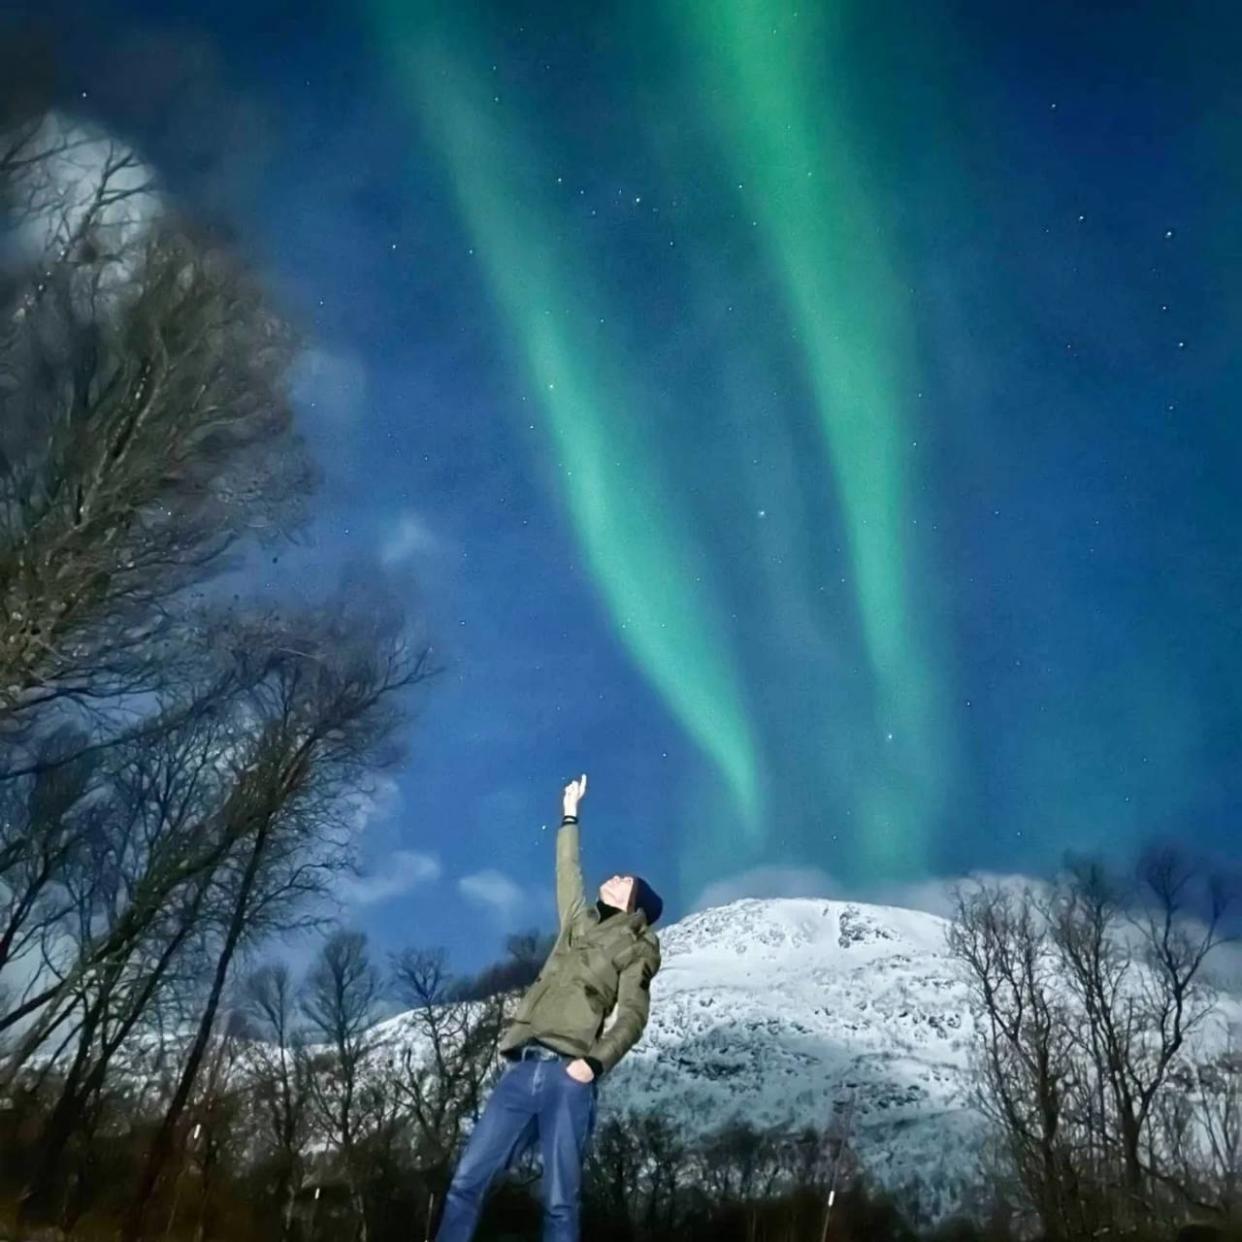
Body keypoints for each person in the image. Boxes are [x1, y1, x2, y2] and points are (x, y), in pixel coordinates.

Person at [435, 773, 663, 1242]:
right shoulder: (578, 925)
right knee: (465, 1182)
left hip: (568, 1077)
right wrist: (570, 815)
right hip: (521, 1069)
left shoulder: (636, 947)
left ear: (634, 902)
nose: (614, 876)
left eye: (624, 881)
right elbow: (568, 872)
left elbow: (634, 1016)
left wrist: (593, 1065)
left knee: (560, 1200)